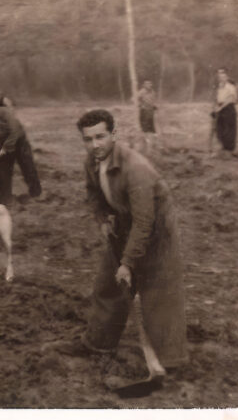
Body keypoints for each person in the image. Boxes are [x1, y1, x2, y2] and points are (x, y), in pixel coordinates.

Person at [69, 109, 187, 369]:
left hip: (157, 231)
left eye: (100, 137)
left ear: (114, 134)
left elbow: (145, 221)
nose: (94, 145)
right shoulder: (91, 162)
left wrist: (128, 263)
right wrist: (102, 218)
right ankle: (99, 343)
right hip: (123, 224)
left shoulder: (135, 168)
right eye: (88, 139)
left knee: (158, 293)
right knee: (108, 285)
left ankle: (170, 361)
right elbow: (93, 193)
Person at [0, 95, 42, 205]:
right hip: (4, 146)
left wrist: (6, 147)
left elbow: (15, 131)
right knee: (3, 172)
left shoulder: (5, 112)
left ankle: (36, 194)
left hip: (20, 143)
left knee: (28, 168)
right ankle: (5, 199)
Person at [212, 67, 238, 152]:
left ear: (227, 76)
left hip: (228, 108)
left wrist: (220, 108)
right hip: (220, 108)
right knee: (219, 128)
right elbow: (218, 98)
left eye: (223, 75)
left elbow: (231, 99)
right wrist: (216, 107)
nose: (221, 77)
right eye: (219, 75)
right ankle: (223, 147)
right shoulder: (220, 87)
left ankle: (229, 150)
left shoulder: (230, 87)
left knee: (229, 129)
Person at [136, 80, 158, 152]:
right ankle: (145, 138)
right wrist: (140, 105)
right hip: (144, 110)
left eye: (150, 84)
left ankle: (152, 138)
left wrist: (154, 105)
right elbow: (135, 99)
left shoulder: (152, 92)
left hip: (150, 110)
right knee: (144, 124)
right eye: (147, 84)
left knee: (151, 123)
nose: (149, 85)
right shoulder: (141, 92)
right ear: (144, 85)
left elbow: (153, 100)